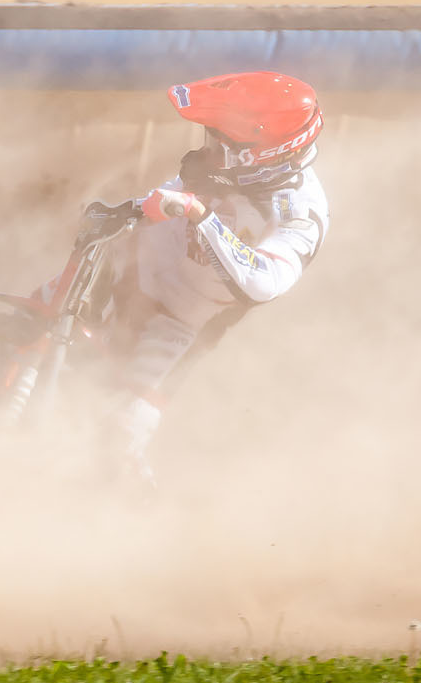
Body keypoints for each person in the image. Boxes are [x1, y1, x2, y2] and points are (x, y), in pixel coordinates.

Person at [79, 70, 329, 481]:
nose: (207, 153)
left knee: (119, 438)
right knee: (43, 324)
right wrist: (122, 213)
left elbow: (262, 283)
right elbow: (160, 202)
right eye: (210, 140)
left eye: (221, 146)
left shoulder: (300, 213)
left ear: (260, 157)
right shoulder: (221, 168)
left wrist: (202, 216)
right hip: (133, 280)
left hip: (182, 327)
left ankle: (131, 515)